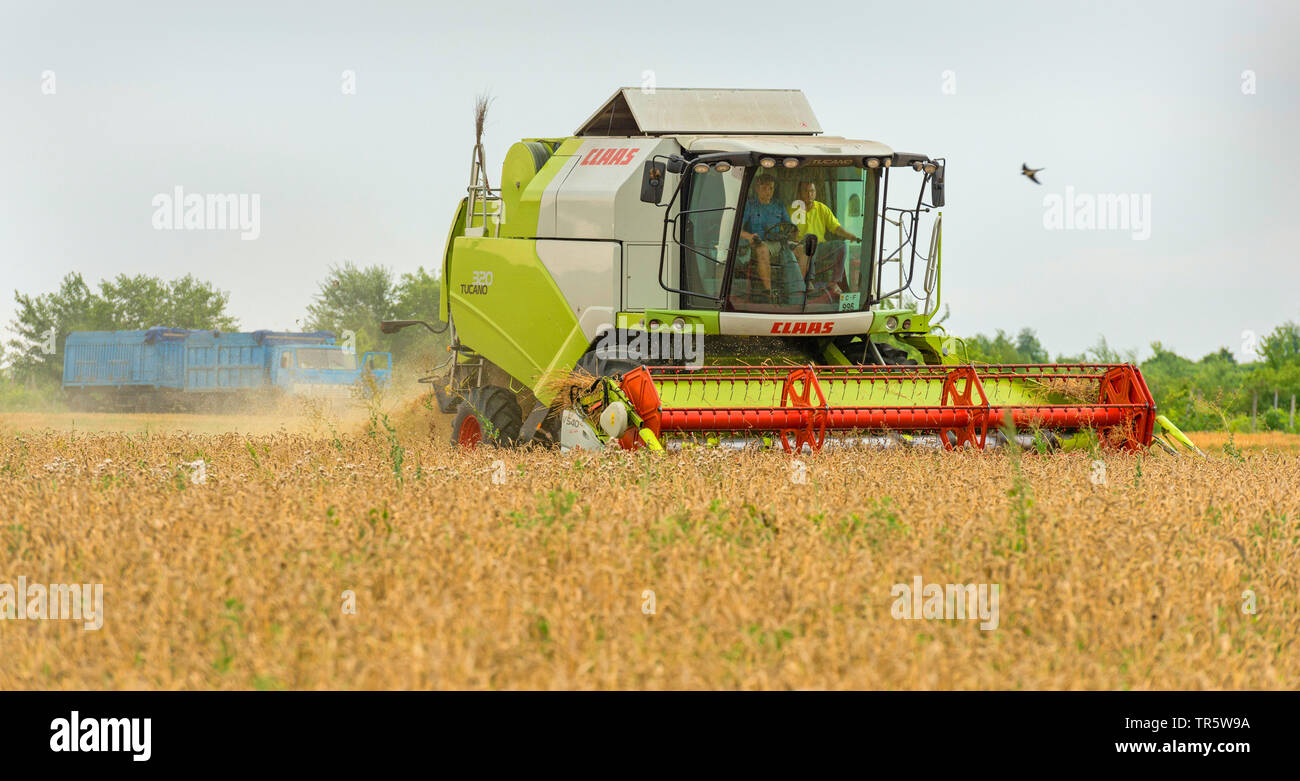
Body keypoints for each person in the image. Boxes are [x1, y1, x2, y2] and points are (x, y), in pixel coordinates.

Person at [790, 181, 861, 296]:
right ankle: (809, 280)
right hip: (801, 248)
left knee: (842, 246)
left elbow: (836, 227)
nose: (809, 194)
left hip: (820, 247)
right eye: (806, 191)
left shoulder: (822, 208)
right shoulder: (793, 209)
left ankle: (834, 282)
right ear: (800, 193)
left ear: (815, 192)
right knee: (810, 239)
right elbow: (786, 231)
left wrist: (849, 235)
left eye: (812, 191)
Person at [738, 174, 788, 299]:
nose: (768, 191)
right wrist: (750, 236)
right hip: (759, 243)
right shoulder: (749, 205)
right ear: (757, 188)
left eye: (771, 188)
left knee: (803, 249)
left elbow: (790, 226)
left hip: (779, 243)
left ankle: (799, 291)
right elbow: (738, 230)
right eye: (764, 188)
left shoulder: (779, 205)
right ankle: (768, 292)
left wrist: (792, 233)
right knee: (763, 250)